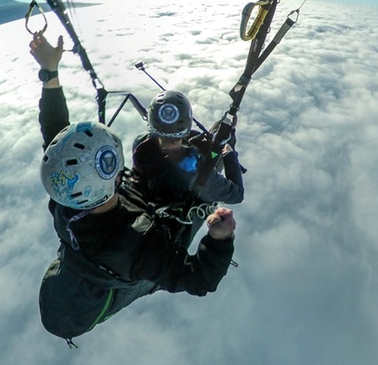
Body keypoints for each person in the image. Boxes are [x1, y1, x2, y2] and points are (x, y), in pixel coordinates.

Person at [30, 32, 237, 345]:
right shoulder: (140, 250)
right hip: (124, 271)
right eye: (109, 162)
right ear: (114, 179)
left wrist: (50, 72)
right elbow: (198, 279)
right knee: (190, 203)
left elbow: (55, 135)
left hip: (91, 258)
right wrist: (220, 239)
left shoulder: (66, 192)